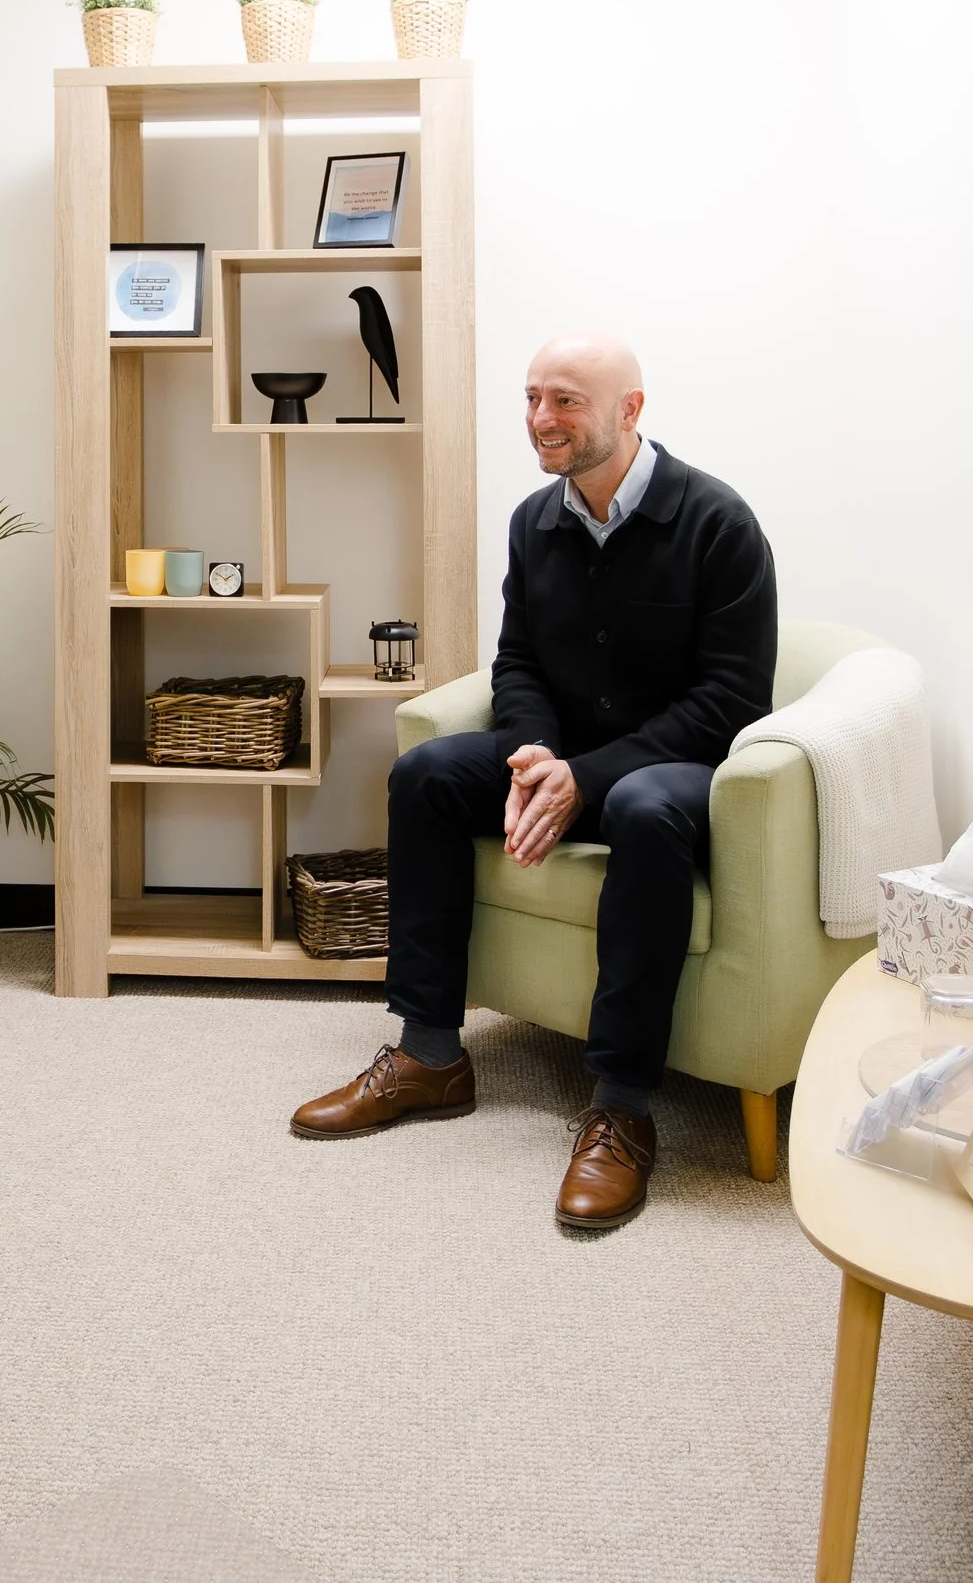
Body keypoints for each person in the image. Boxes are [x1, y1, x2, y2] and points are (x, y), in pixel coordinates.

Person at [288, 334, 778, 1229]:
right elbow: (518, 664)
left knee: (642, 806)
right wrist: (532, 758)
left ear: (630, 410)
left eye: (566, 402)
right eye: (531, 398)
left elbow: (731, 700)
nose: (541, 421)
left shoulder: (718, 523)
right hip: (568, 759)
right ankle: (432, 1054)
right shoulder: (535, 521)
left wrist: (581, 779)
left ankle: (622, 1107)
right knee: (427, 774)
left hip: (671, 775)